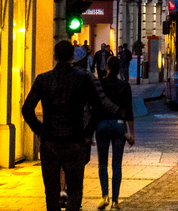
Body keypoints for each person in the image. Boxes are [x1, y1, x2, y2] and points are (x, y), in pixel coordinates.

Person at [22, 39, 123, 211]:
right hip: (75, 139)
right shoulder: (83, 78)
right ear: (72, 57)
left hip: (50, 141)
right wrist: (88, 132)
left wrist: (40, 130)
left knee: (51, 191)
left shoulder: (43, 79)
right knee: (75, 190)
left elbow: (27, 108)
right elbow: (98, 107)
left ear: (54, 56)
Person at [94, 56, 135, 210]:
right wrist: (132, 134)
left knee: (102, 164)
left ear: (107, 66)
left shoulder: (100, 84)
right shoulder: (124, 86)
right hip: (119, 126)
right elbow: (129, 111)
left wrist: (90, 132)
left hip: (102, 125)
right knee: (116, 165)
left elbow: (95, 108)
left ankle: (104, 196)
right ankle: (115, 201)